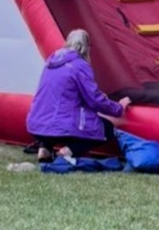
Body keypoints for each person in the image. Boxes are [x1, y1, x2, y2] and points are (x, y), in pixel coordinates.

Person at [26, 29, 130, 163]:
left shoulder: (50, 64)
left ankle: (45, 148)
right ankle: (68, 151)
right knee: (107, 130)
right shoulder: (80, 66)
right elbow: (94, 99)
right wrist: (118, 108)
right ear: (86, 47)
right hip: (62, 127)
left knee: (53, 123)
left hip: (36, 125)